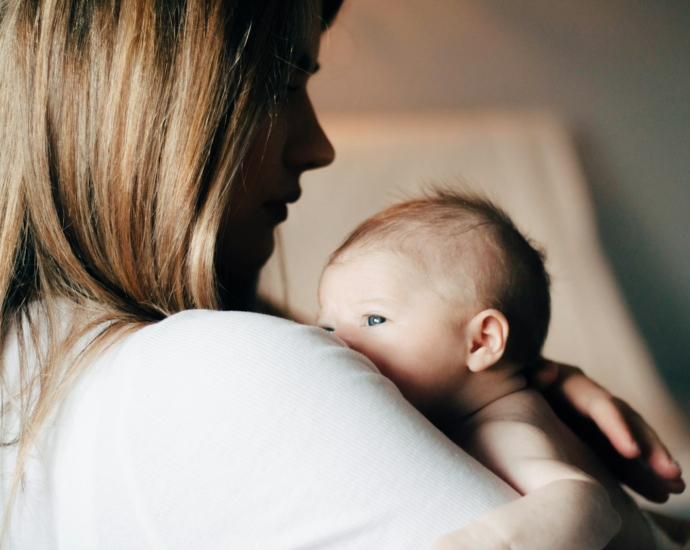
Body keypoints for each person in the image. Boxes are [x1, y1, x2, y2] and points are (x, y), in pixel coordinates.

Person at [0, 0, 684, 548]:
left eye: (374, 321)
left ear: (484, 339)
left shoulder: (35, 367)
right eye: (286, 83)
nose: (318, 146)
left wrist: (519, 381)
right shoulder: (215, 367)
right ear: (154, 105)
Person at [317, 191, 684, 549]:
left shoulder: (505, 427)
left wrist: (489, 541)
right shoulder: (464, 410)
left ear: (481, 342)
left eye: (374, 318)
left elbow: (587, 502)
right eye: (328, 327)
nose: (337, 342)